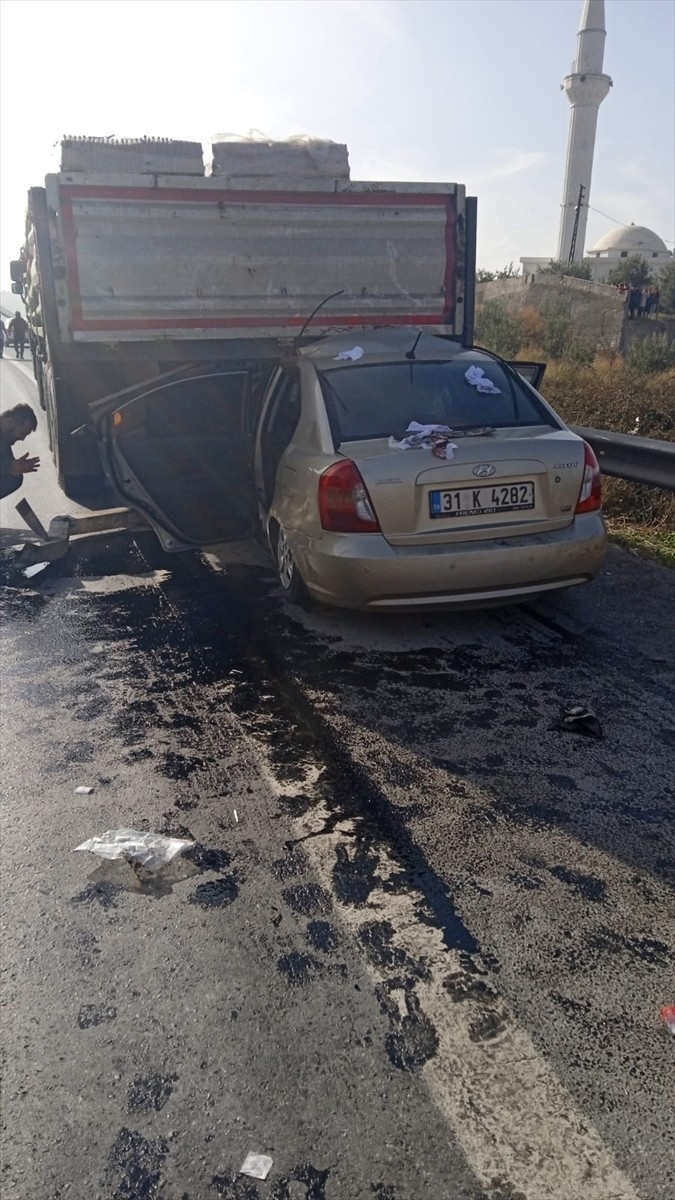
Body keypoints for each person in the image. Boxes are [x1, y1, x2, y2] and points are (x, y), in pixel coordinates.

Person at [0, 403, 40, 499]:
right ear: (10, 422)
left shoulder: (4, 440)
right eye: (22, 433)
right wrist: (8, 467)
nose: (22, 438)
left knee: (15, 478)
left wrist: (17, 467)